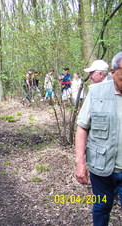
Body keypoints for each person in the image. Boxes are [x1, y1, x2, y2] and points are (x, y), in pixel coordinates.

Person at [75, 52, 122, 226]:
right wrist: (80, 163)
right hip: (101, 168)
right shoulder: (96, 93)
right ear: (113, 72)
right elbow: (82, 127)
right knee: (101, 207)